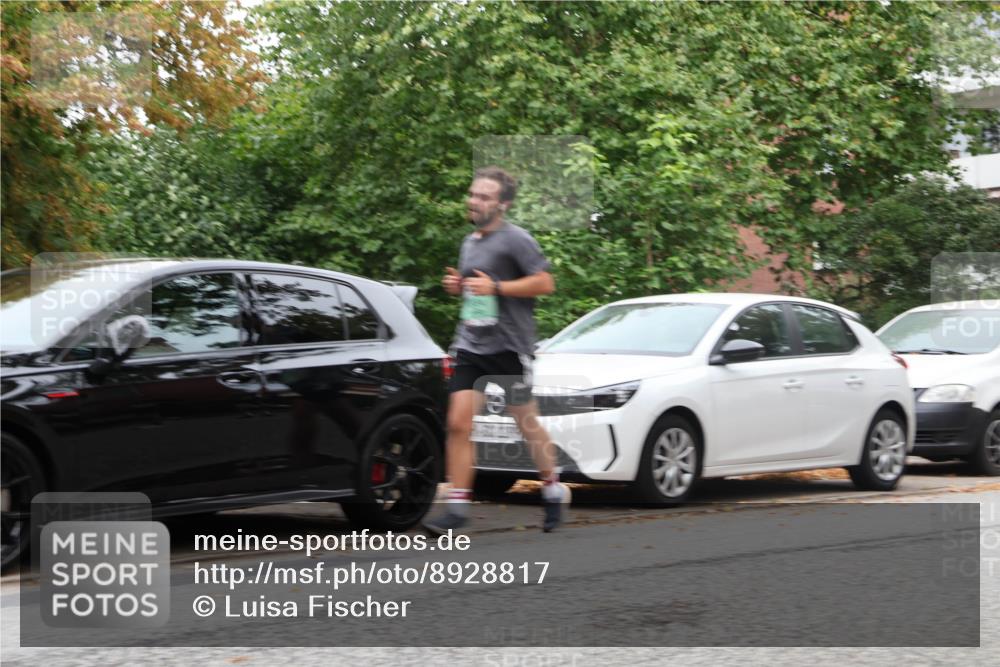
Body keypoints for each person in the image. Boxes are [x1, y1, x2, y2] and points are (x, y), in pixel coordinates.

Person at [423, 166, 571, 535]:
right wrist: (458, 286)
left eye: (484, 197)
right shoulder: (469, 242)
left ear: (502, 205)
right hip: (471, 344)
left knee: (525, 423)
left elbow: (545, 283)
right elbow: (476, 288)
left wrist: (498, 288)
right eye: (473, 194)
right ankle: (458, 507)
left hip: (508, 348)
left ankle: (552, 488)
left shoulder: (516, 239)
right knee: (458, 423)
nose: (474, 201)